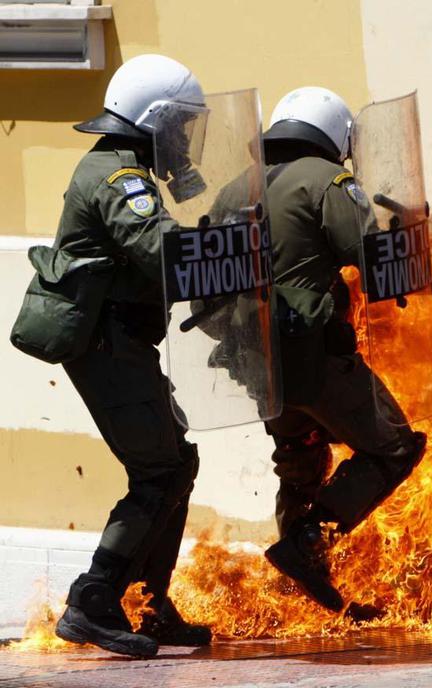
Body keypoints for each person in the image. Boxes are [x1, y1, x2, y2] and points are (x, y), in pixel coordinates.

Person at [39, 54, 212, 657]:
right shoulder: (121, 178)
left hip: (123, 341)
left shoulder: (128, 166)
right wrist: (224, 249)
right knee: (160, 471)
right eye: (181, 126)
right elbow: (162, 250)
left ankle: (145, 603)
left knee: (176, 465)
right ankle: (95, 599)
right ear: (154, 119)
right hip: (107, 342)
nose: (185, 138)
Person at [258, 87, 427, 613]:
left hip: (258, 361)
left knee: (301, 457)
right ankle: (308, 544)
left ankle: (297, 589)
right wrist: (405, 231)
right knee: (395, 446)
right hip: (313, 355)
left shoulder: (240, 186)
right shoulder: (328, 181)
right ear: (337, 137)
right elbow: (368, 254)